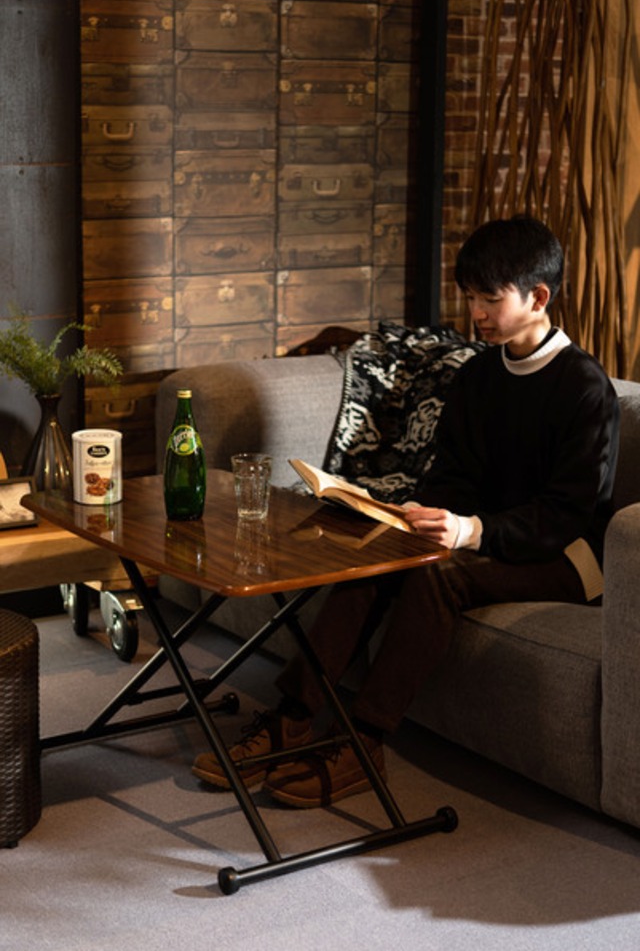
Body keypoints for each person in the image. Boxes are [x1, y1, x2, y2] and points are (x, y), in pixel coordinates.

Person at [192, 214, 621, 808]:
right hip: (488, 535)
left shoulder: (585, 388)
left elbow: (568, 514)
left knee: (436, 575)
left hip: (569, 558)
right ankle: (293, 716)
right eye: (470, 297)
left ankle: (363, 742)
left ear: (538, 297)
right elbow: (455, 473)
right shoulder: (479, 375)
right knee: (382, 553)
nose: (476, 313)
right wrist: (418, 511)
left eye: (489, 299)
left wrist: (470, 530)